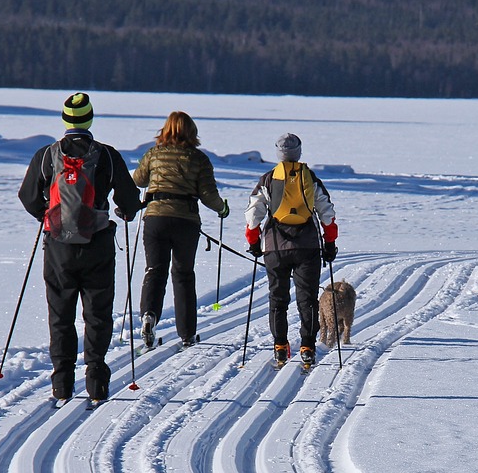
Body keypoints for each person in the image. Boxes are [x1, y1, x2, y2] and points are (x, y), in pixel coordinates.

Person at [18, 93, 142, 406]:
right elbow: (128, 201)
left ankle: (61, 384)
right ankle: (97, 383)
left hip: (58, 246)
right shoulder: (108, 156)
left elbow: (28, 196)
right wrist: (123, 211)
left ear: (65, 120)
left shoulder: (47, 156)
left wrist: (49, 217)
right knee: (97, 314)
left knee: (60, 314)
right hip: (97, 245)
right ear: (89, 119)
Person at [131, 111, 230, 349]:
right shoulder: (198, 159)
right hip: (186, 220)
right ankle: (186, 333)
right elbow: (207, 195)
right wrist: (222, 208)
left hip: (155, 218)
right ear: (192, 132)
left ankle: (149, 315)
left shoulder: (153, 154)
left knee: (155, 270)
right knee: (183, 275)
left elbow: (138, 180)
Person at [245, 133, 339, 369]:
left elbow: (253, 214)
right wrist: (329, 244)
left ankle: (280, 346)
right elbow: (327, 214)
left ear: (278, 154)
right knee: (307, 299)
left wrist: (254, 242)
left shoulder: (268, 179)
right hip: (307, 247)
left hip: (275, 248)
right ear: (299, 152)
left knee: (278, 298)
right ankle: (307, 346)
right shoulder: (310, 178)